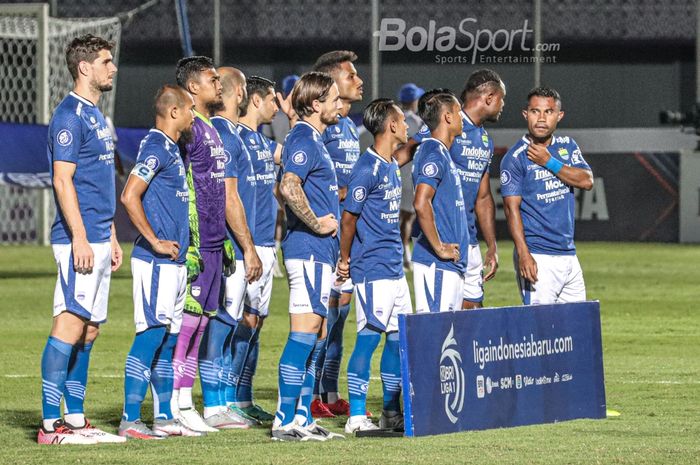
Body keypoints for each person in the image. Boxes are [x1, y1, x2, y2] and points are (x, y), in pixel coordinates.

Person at [39, 34, 124, 445]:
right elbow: (62, 179)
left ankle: (75, 419)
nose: (113, 68)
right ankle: (50, 425)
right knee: (70, 323)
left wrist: (109, 234)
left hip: (97, 235)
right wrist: (80, 238)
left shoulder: (96, 116)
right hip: (78, 239)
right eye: (106, 61)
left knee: (89, 330)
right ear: (84, 67)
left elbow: (98, 181)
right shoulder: (69, 116)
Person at [118, 85, 203, 439]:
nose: (193, 117)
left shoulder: (171, 147)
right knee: (150, 336)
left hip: (176, 262)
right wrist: (153, 240)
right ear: (173, 113)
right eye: (189, 110)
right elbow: (129, 194)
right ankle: (129, 418)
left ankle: (164, 416)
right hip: (155, 262)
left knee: (168, 340)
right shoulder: (155, 146)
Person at [272, 71, 344, 441]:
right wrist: (316, 224)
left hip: (320, 253)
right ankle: (284, 420)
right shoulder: (304, 136)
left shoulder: (312, 137)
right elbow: (288, 184)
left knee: (314, 334)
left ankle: (301, 417)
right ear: (316, 104)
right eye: (333, 99)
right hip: (308, 250)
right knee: (303, 335)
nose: (339, 105)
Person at [336, 99, 412, 433]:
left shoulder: (391, 164)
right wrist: (345, 259)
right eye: (403, 121)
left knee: (397, 340)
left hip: (395, 268)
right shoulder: (366, 168)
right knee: (369, 338)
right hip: (372, 268)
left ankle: (390, 413)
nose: (407, 126)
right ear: (392, 126)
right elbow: (349, 218)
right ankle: (355, 416)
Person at [402, 70, 505, 309]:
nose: (503, 105)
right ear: (489, 97)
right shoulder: (445, 127)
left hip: (467, 240)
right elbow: (405, 153)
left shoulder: (484, 140)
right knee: (439, 323)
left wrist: (491, 245)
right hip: (441, 240)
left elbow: (483, 196)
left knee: (471, 318)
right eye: (501, 98)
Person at [171, 56, 228, 433]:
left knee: (202, 324)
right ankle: (177, 402)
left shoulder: (212, 128)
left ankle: (186, 400)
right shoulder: (189, 130)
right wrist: (191, 241)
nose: (218, 83)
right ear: (193, 87)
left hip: (214, 242)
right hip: (196, 242)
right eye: (211, 79)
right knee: (188, 324)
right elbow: (183, 186)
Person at [500, 86, 593, 305]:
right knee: (540, 331)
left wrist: (548, 161)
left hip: (569, 254)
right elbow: (511, 210)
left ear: (559, 116)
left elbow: (586, 181)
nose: (541, 118)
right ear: (525, 114)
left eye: (548, 112)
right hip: (538, 255)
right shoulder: (515, 157)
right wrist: (523, 254)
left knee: (576, 328)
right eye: (535, 111)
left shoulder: (567, 147)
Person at [224, 75, 281, 424]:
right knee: (235, 321)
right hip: (244, 245)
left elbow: (290, 155)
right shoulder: (235, 139)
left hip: (265, 244)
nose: (278, 107)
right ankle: (224, 397)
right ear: (256, 100)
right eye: (274, 100)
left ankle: (243, 399)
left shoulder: (261, 141)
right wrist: (247, 247)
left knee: (256, 321)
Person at [310, 50, 364, 418]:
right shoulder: (320, 127)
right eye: (351, 76)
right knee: (320, 322)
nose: (359, 81)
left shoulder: (347, 125)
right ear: (332, 82)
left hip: (347, 238)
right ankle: (310, 394)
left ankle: (329, 393)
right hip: (324, 238)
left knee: (340, 321)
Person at [411, 90, 468, 313]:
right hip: (436, 263)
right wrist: (439, 247)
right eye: (459, 112)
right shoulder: (433, 151)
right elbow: (420, 202)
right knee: (434, 339)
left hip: (449, 264)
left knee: (447, 340)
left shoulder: (441, 152)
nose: (462, 117)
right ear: (447, 117)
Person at [396, 83, 424, 271]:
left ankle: (402, 254)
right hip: (410, 175)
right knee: (407, 219)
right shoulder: (418, 122)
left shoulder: (395, 118)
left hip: (396, 172)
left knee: (397, 217)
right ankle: (404, 255)